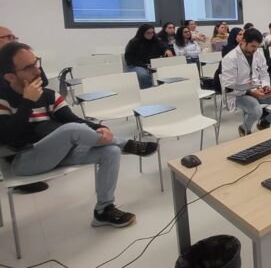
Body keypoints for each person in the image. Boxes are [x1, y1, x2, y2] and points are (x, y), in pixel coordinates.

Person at [0, 42, 158, 227]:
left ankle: (103, 211)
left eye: (36, 63)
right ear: (10, 77)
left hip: (59, 154)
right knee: (70, 131)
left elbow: (73, 119)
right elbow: (7, 138)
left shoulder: (50, 95)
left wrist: (101, 129)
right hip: (24, 161)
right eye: (28, 67)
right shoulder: (3, 101)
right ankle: (126, 144)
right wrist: (27, 102)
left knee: (111, 152)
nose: (37, 70)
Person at [0, 26, 49, 194]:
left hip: (25, 106)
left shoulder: (20, 57)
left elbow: (43, 81)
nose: (13, 40)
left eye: (14, 36)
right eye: (7, 37)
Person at [220, 29, 271, 136]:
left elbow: (264, 74)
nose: (255, 49)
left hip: (258, 89)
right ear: (243, 41)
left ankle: (265, 123)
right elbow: (229, 87)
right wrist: (250, 92)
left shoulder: (258, 53)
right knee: (257, 111)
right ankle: (245, 129)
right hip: (238, 94)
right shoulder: (230, 58)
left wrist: (266, 86)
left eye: (257, 47)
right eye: (253, 46)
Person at [125, 24, 172, 89]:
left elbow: (163, 46)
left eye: (152, 32)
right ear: (142, 33)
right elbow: (129, 59)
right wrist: (146, 66)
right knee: (143, 75)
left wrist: (167, 50)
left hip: (152, 65)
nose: (151, 34)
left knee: (169, 71)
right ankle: (149, 90)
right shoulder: (133, 42)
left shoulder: (155, 40)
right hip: (137, 65)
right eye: (148, 33)